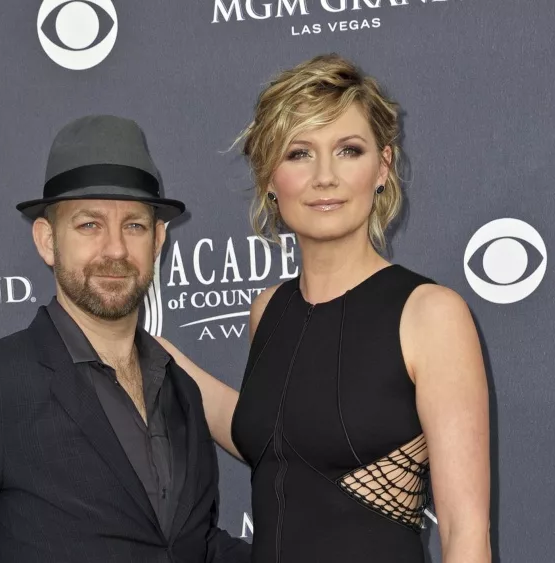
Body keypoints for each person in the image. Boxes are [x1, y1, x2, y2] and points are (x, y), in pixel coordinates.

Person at [156, 55, 491, 563]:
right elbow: (277, 441)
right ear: (269, 178)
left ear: (382, 167)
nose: (325, 177)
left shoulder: (429, 315)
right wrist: (155, 356)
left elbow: (467, 537)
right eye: (299, 154)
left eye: (348, 150)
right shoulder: (268, 309)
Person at [0, 115, 251, 563]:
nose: (115, 249)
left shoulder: (180, 389)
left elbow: (194, 547)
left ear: (159, 240)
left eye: (133, 225)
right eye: (89, 225)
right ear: (47, 240)